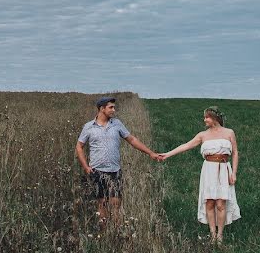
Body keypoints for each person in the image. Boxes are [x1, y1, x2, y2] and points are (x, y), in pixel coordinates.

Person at [159, 106, 240, 242]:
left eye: (206, 117)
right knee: (209, 202)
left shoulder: (229, 132)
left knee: (220, 203)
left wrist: (234, 173)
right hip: (209, 170)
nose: (204, 120)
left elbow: (236, 152)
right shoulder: (203, 135)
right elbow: (186, 145)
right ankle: (212, 235)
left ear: (213, 118)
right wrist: (167, 154)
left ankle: (220, 236)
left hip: (224, 169)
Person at [75, 96, 160, 225]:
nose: (114, 110)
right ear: (102, 108)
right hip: (97, 172)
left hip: (115, 171)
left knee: (116, 205)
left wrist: (150, 153)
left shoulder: (117, 124)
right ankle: (103, 236)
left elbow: (131, 139)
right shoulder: (88, 127)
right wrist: (86, 167)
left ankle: (117, 234)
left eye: (114, 107)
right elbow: (79, 147)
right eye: (111, 107)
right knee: (102, 204)